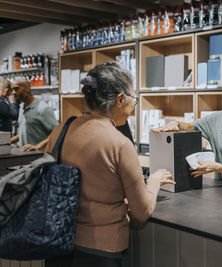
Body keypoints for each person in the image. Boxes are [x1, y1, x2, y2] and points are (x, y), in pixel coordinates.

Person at [44, 62, 174, 267]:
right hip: (102, 251)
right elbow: (141, 212)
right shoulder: (119, 144)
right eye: (134, 100)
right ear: (120, 99)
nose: (133, 108)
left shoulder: (62, 129)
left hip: (57, 242)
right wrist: (155, 182)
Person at [10, 79, 58, 148]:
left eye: (16, 89)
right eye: (12, 90)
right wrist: (7, 141)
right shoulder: (22, 107)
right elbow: (25, 132)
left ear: (27, 88)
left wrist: (38, 146)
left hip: (39, 156)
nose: (13, 92)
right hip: (24, 155)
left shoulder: (43, 108)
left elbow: (57, 132)